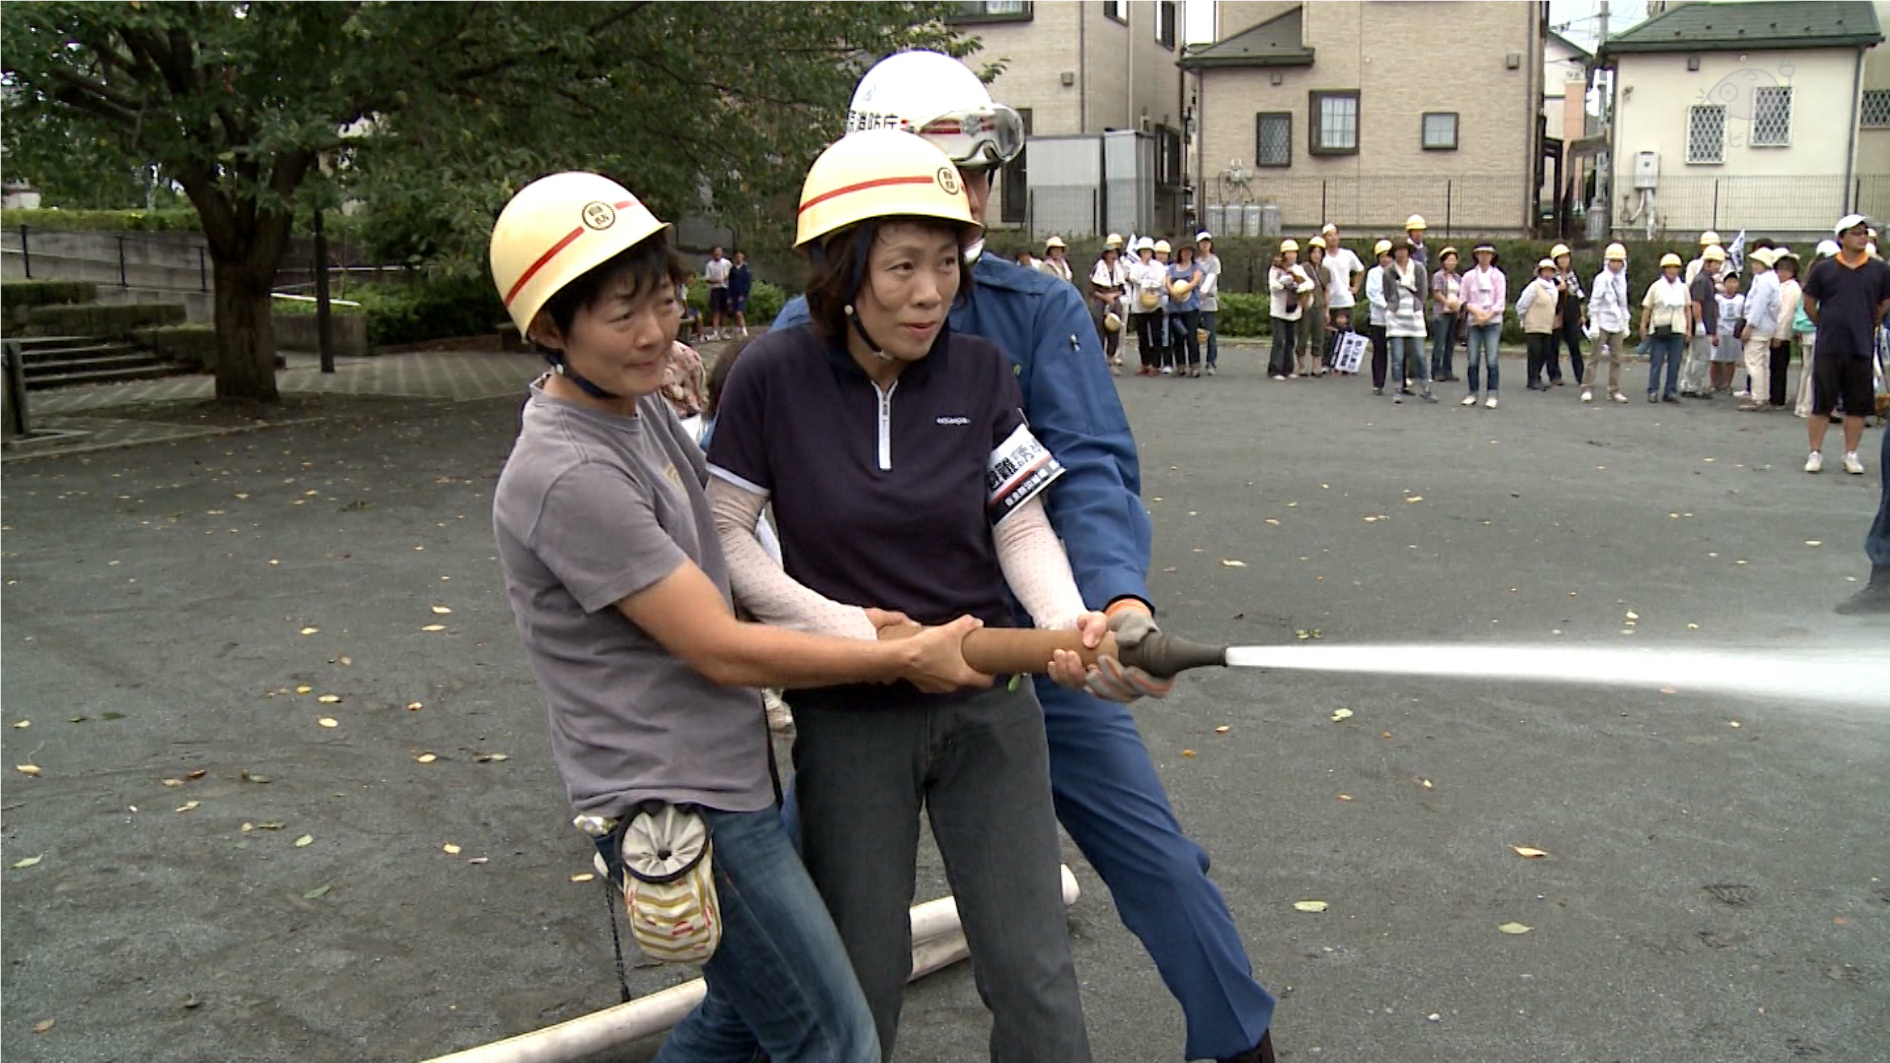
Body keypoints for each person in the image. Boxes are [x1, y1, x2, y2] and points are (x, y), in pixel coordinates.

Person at [770, 49, 1279, 1063]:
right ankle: (728, 1042)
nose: (964, 203)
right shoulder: (801, 335)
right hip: (876, 670)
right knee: (785, 899)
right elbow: (748, 516)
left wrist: (1118, 606)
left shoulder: (1036, 310)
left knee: (1155, 858)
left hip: (1040, 655)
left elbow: (1085, 472)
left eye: (976, 177)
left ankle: (1236, 1043)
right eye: (941, 175)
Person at [487, 170, 986, 1063]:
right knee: (834, 1038)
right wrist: (897, 657)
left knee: (739, 1022)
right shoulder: (571, 473)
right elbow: (715, 647)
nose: (654, 331)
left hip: (722, 776)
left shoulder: (627, 410)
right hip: (681, 803)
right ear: (551, 328)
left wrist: (849, 621)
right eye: (620, 313)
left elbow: (720, 567)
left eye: (663, 299)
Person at [708, 128, 1100, 1063]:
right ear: (845, 269)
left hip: (989, 711)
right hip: (850, 717)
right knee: (859, 974)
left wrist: (1065, 622)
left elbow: (1019, 525)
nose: (931, 293)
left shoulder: (979, 373)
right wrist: (852, 635)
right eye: (901, 267)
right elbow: (725, 536)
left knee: (1034, 970)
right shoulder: (773, 376)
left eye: (947, 263)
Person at [1802, 214, 1890, 477]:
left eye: (1865, 232)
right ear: (1841, 237)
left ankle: (1850, 453)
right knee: (1822, 402)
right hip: (1829, 345)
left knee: (1857, 404)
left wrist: (1871, 321)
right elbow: (1809, 303)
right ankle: (1815, 452)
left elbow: (1884, 302)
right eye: (1856, 232)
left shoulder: (1878, 270)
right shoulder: (1824, 269)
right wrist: (1825, 323)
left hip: (1861, 345)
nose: (1862, 237)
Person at [1384, 237, 1435, 403]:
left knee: (1420, 355)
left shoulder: (1418, 268)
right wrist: (1392, 305)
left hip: (1414, 315)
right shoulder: (1389, 271)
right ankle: (1398, 389)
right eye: (1398, 250)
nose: (1401, 253)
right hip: (1396, 316)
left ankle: (1425, 388)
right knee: (1397, 356)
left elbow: (1423, 290)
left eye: (1404, 250)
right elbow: (1387, 292)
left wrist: (1419, 305)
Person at [1793, 241, 1840, 417]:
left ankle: (1802, 406)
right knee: (1817, 371)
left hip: (1804, 329)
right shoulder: (1826, 278)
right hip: (1817, 329)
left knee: (1807, 370)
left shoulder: (1809, 278)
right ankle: (1811, 406)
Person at [1640, 252, 1692, 403]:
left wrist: (1689, 328)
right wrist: (1643, 325)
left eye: (1675, 268)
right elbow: (1647, 307)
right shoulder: (1656, 287)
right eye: (1669, 268)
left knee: (1675, 362)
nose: (1672, 271)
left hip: (1677, 328)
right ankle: (1653, 390)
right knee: (1657, 361)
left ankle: (1670, 391)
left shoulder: (1683, 288)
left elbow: (1687, 308)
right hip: (1659, 328)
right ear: (1663, 269)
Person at [1460, 243, 1506, 408]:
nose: (1484, 257)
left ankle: (1492, 394)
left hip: (1492, 321)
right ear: (1476, 256)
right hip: (1474, 321)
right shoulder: (1468, 276)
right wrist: (1476, 313)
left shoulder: (1498, 276)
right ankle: (1472, 393)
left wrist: (1487, 316)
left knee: (1491, 359)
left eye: (1488, 254)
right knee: (1472, 359)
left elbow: (1500, 302)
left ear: (1492, 256)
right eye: (1481, 254)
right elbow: (1463, 300)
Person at [1586, 242, 1633, 404]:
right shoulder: (1601, 279)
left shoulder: (1622, 280)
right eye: (1613, 261)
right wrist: (1593, 323)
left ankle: (1614, 390)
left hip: (1617, 322)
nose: (1616, 265)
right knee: (1595, 357)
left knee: (1617, 359)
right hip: (1602, 321)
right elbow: (1595, 302)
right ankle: (1587, 388)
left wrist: (1626, 322)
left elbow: (1623, 303)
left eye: (1619, 261)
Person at [1739, 247, 1781, 409]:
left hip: (1758, 326)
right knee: (1763, 362)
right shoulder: (1772, 279)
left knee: (1754, 362)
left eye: (1757, 262)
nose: (1754, 265)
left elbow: (1758, 306)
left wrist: (1749, 326)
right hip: (1768, 326)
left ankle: (1757, 397)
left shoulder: (1763, 281)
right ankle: (1762, 395)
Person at [1681, 245, 1724, 398]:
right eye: (1716, 263)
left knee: (1695, 356)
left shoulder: (1707, 280)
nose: (1719, 266)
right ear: (1707, 263)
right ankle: (1694, 386)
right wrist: (1699, 323)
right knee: (1702, 357)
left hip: (1705, 325)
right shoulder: (1702, 280)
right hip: (1702, 325)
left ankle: (1687, 383)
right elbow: (1696, 302)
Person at [1266, 240, 1308, 380]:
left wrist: (1300, 287)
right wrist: (1283, 284)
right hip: (1278, 310)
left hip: (1293, 310)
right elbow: (1272, 286)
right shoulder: (1276, 269)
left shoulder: (1298, 269)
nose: (1292, 256)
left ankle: (1288, 369)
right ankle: (1274, 369)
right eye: (1289, 253)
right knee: (1279, 340)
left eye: (1294, 253)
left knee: (1290, 340)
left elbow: (1309, 283)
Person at [1518, 258, 1561, 392]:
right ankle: (1532, 379)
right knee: (1535, 352)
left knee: (1544, 353)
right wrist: (1522, 319)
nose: (1548, 274)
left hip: (1547, 326)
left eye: (1551, 271)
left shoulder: (1554, 289)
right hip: (1534, 325)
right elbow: (1522, 304)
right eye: (1545, 271)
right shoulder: (1534, 286)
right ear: (1540, 272)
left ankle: (1537, 376)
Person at [1548, 242, 1586, 389]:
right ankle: (1554, 375)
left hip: (1571, 313)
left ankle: (1581, 375)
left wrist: (1582, 315)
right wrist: (1559, 288)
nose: (1564, 261)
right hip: (1556, 314)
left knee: (1574, 345)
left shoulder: (1572, 275)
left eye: (1566, 258)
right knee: (1553, 346)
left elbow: (1580, 295)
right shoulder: (1551, 276)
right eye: (1561, 258)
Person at [1129, 236, 1168, 376]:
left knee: (1156, 334)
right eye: (1143, 251)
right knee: (1142, 335)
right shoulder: (1135, 266)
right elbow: (1133, 278)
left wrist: (1149, 284)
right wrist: (1146, 282)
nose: (1146, 254)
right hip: (1139, 305)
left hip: (1154, 304)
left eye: (1148, 251)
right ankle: (1144, 363)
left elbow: (1161, 281)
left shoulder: (1158, 266)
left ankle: (1156, 364)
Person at [1769, 252, 1803, 410]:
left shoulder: (1793, 288)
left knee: (1779, 367)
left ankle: (1778, 398)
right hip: (1772, 330)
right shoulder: (1779, 286)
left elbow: (1786, 314)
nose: (1781, 273)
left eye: (1786, 270)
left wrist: (1779, 335)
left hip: (1782, 333)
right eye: (1779, 270)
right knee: (1774, 365)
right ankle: (1773, 395)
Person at [1090, 234, 1129, 372]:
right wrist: (1105, 297)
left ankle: (1111, 358)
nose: (1113, 255)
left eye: (1115, 253)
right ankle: (1098, 360)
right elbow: (1092, 290)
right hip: (1100, 299)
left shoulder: (1119, 268)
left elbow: (1122, 288)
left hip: (1114, 299)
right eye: (1110, 253)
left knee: (1114, 328)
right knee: (1098, 327)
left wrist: (1113, 296)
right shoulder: (1098, 267)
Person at [1169, 242, 1207, 378]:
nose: (1187, 254)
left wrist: (1182, 291)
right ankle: (1180, 366)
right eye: (1184, 252)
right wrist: (1173, 292)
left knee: (1191, 337)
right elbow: (1167, 282)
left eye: (1189, 252)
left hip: (1191, 308)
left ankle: (1195, 365)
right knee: (1177, 338)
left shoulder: (1196, 267)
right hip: (1175, 308)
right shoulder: (1172, 268)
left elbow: (1195, 281)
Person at [1321, 223, 1365, 335]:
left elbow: (1360, 270)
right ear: (1324, 238)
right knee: (1329, 337)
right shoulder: (1321, 257)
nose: (1333, 238)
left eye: (1335, 234)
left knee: (1346, 336)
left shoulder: (1347, 254)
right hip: (1328, 302)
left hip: (1345, 301)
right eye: (1329, 235)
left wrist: (1355, 287)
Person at [1364, 238, 1392, 394]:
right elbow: (1372, 293)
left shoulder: (1397, 272)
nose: (1386, 259)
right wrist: (1386, 305)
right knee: (1379, 351)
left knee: (1399, 352)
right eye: (1383, 256)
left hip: (1396, 318)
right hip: (1378, 318)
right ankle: (1378, 383)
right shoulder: (1373, 273)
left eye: (1388, 255)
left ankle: (1401, 383)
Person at [1429, 247, 1462, 382]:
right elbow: (1436, 293)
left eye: (1454, 260)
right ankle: (1436, 370)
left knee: (1450, 343)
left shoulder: (1458, 278)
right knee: (1439, 343)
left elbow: (1462, 293)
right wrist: (1447, 303)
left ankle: (1447, 370)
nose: (1451, 263)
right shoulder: (1438, 276)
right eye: (1449, 260)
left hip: (1454, 312)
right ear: (1443, 262)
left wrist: (1458, 305)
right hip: (1442, 312)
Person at [1299, 237, 1330, 377]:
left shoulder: (1325, 270)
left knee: (1319, 336)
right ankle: (1301, 365)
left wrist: (1327, 309)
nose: (1317, 255)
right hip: (1306, 306)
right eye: (1314, 252)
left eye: (1319, 252)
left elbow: (1326, 290)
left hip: (1319, 306)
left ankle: (1316, 366)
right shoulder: (1304, 268)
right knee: (1303, 335)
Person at [1715, 272, 1747, 402]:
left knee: (1730, 360)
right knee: (1716, 359)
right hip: (1720, 329)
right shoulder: (1717, 298)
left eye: (1734, 282)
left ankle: (1727, 384)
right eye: (1729, 282)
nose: (1731, 285)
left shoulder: (1741, 299)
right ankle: (1714, 383)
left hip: (1734, 331)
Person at [1197, 231, 1223, 374]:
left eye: (1207, 242)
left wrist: (1204, 291)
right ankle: (1194, 361)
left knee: (1210, 333)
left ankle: (1211, 362)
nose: (1205, 245)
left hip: (1209, 301)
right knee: (1193, 333)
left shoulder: (1214, 261)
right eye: (1202, 242)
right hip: (1195, 301)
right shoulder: (1195, 262)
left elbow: (1212, 278)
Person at [704, 245, 733, 341]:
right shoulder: (710, 265)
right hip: (715, 289)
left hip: (725, 289)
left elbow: (732, 275)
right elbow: (707, 279)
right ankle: (715, 332)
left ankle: (722, 330)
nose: (718, 254)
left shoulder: (727, 263)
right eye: (716, 252)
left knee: (724, 311)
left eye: (719, 252)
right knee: (715, 311)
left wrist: (726, 279)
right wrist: (716, 281)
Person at [726, 249, 753, 338]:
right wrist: (729, 296)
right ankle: (738, 328)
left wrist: (743, 294)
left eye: (740, 257)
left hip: (741, 294)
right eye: (737, 257)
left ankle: (744, 329)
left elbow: (747, 284)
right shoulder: (732, 269)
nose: (738, 258)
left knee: (739, 312)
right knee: (733, 312)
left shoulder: (746, 269)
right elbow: (730, 283)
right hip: (733, 293)